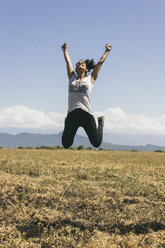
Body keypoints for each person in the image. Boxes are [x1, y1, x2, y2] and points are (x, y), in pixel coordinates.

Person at [61, 42, 112, 149]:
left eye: (82, 63)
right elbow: (68, 61)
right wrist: (65, 51)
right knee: (66, 144)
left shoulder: (90, 79)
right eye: (78, 64)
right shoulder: (72, 77)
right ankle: (67, 122)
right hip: (72, 114)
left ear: (86, 69)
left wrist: (107, 51)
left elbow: (100, 63)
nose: (80, 64)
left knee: (96, 143)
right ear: (75, 68)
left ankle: (101, 123)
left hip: (86, 114)